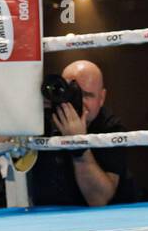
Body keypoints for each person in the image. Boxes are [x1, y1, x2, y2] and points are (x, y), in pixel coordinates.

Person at [26, 60, 134, 207]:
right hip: (47, 217)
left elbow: (99, 200)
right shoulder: (41, 117)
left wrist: (79, 147)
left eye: (87, 95)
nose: (78, 101)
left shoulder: (110, 128)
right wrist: (26, 108)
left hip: (101, 221)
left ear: (101, 98)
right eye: (72, 92)